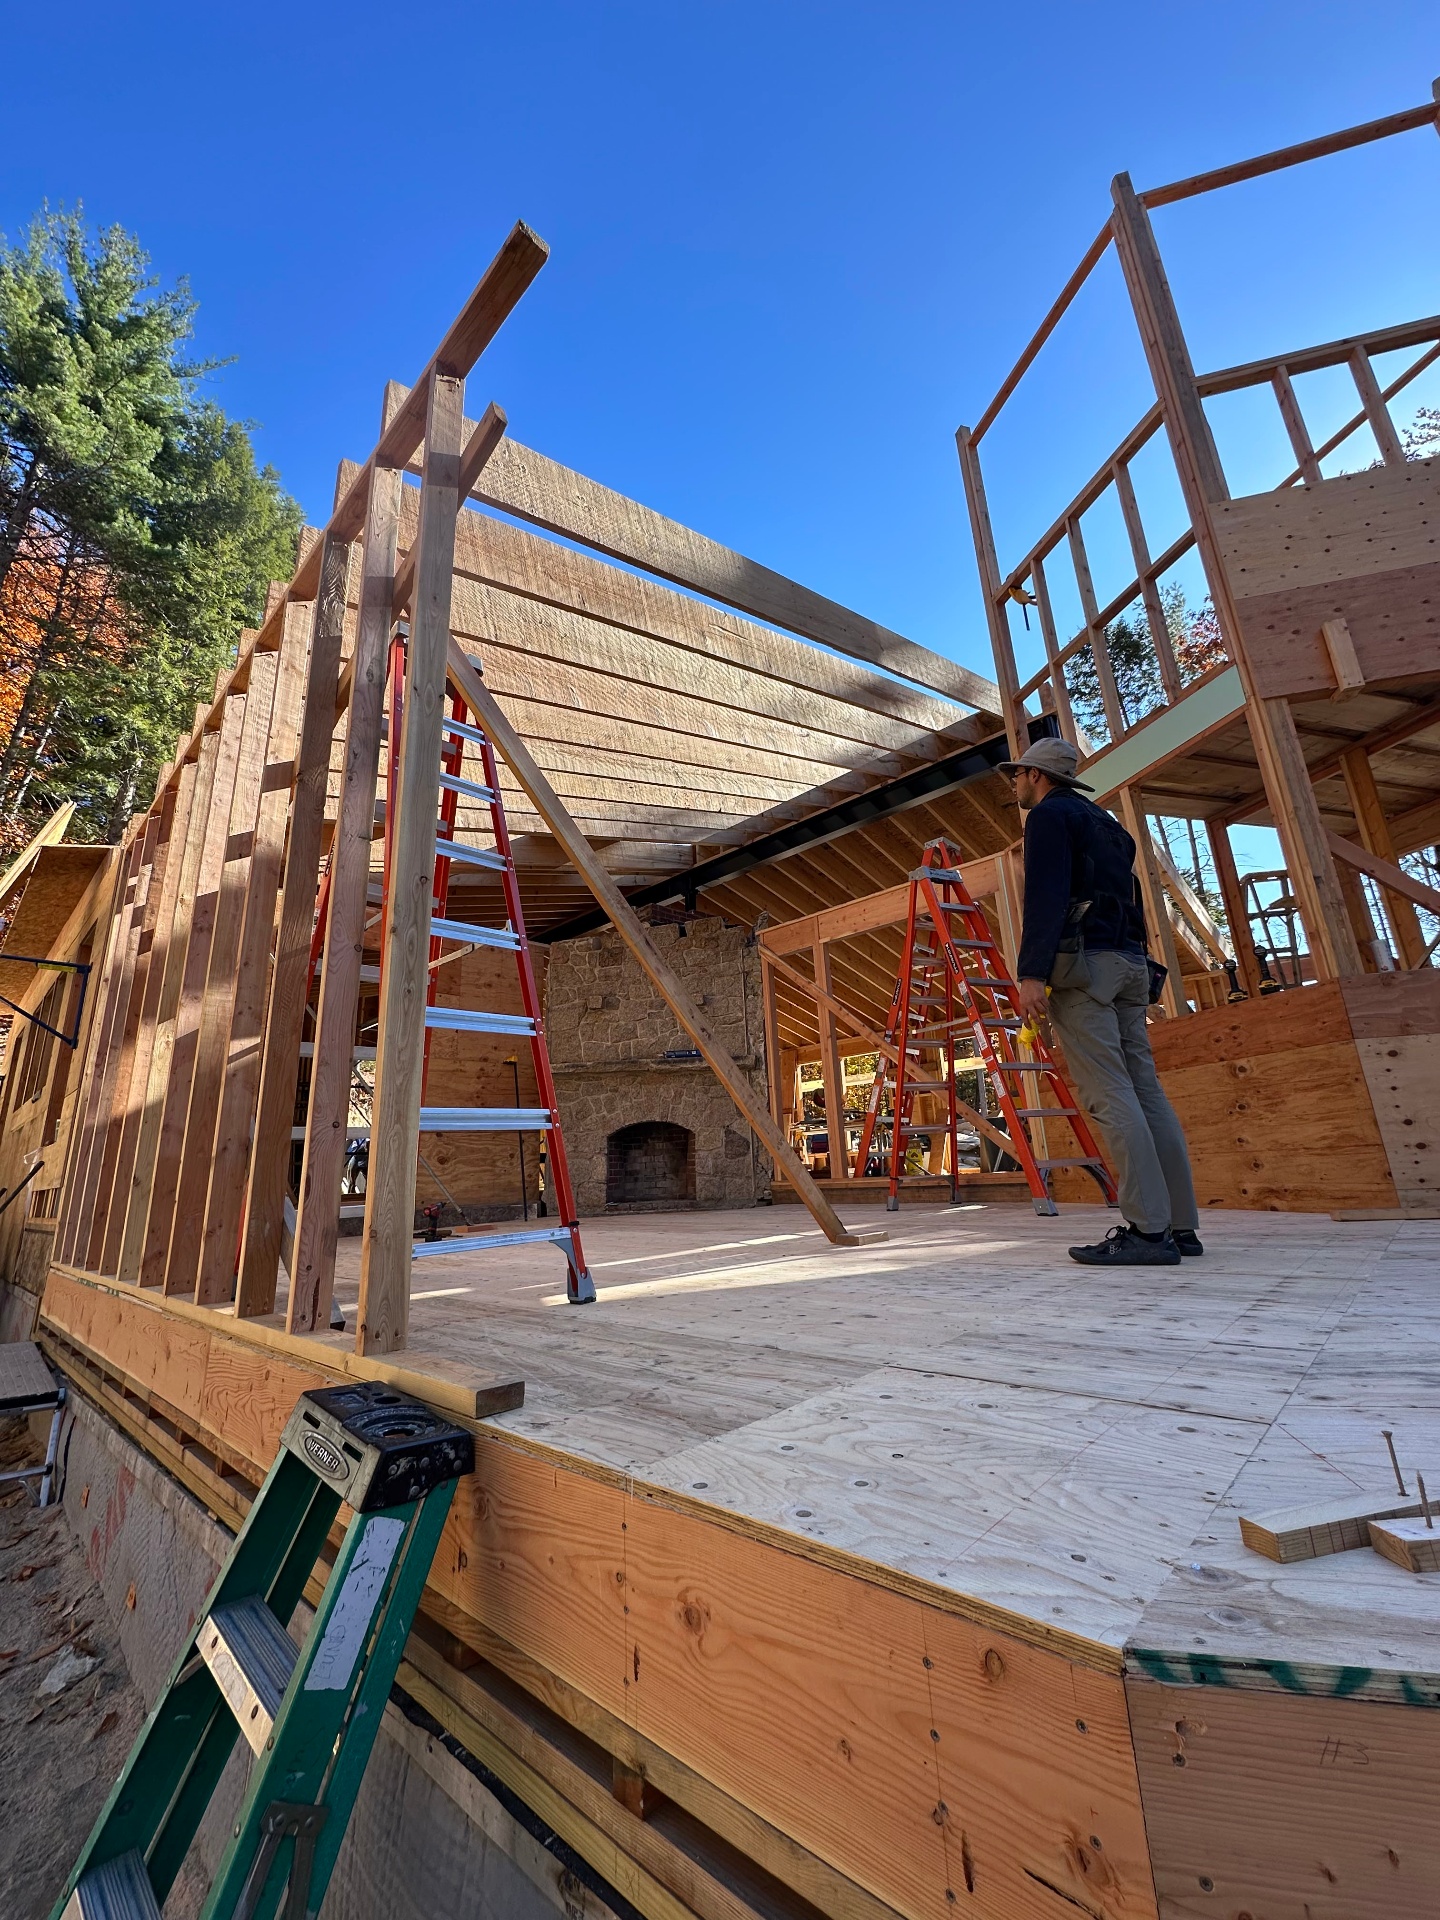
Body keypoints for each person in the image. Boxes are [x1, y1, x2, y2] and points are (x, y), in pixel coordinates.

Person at [999, 736, 1202, 1266]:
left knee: (1110, 1095)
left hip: (1086, 969)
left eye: (1017, 774)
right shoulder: (1109, 826)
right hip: (1130, 964)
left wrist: (1031, 973)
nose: (1014, 783)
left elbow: (1046, 895)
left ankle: (1148, 1233)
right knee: (1146, 1091)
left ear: (1037, 776)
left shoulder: (1048, 817)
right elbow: (1130, 900)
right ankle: (1180, 1226)